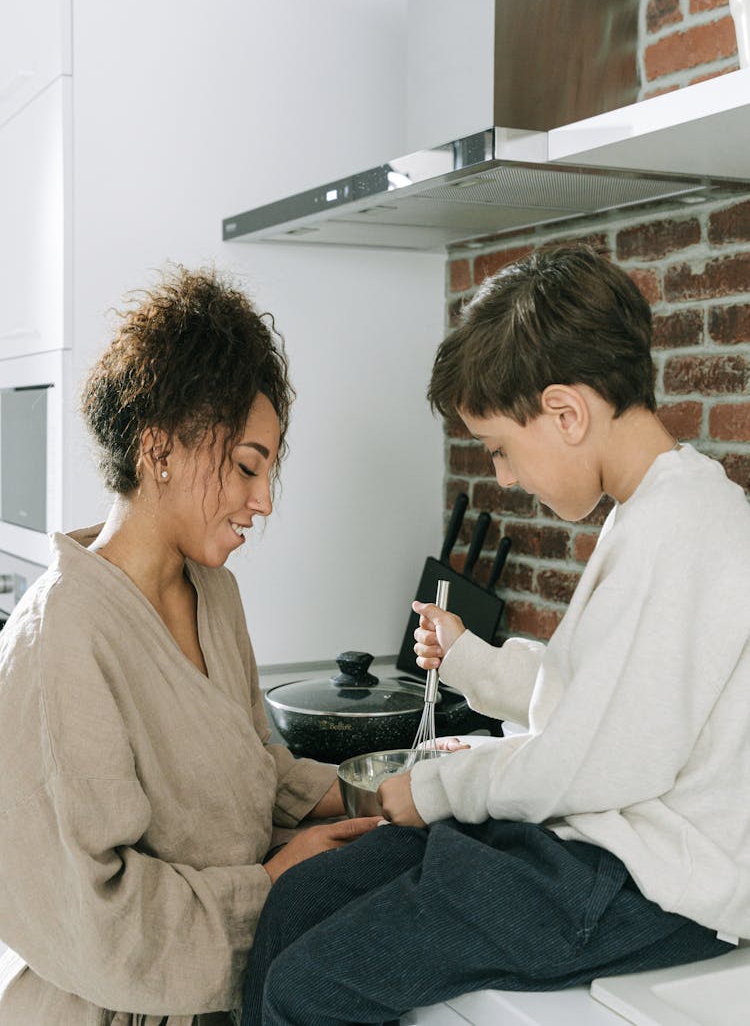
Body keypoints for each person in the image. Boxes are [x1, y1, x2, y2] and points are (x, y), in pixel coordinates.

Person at [240, 244, 750, 1026]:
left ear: (566, 411)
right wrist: (474, 660)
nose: (504, 477)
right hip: (588, 853)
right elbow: (595, 699)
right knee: (299, 900)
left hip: (642, 886)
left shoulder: (682, 531)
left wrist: (432, 789)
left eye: (501, 449)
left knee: (308, 987)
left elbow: (590, 759)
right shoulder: (649, 513)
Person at [0, 265, 378, 1026]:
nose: (263, 501)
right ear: (159, 448)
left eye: (268, 470)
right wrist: (273, 886)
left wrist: (381, 792)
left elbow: (250, 771)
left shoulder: (215, 595)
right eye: (245, 465)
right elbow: (97, 914)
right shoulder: (62, 636)